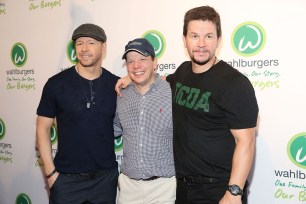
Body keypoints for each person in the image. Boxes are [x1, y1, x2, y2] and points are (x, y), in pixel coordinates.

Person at [116, 6, 258, 204]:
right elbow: (157, 80)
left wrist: (233, 192)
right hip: (182, 188)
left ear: (219, 39)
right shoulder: (182, 73)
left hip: (218, 188)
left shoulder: (235, 83)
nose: (201, 44)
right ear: (184, 40)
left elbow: (247, 142)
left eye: (208, 36)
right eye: (194, 36)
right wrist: (132, 77)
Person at [36, 23, 119, 204]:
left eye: (91, 42)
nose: (84, 49)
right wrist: (51, 174)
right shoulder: (56, 84)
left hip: (104, 181)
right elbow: (42, 128)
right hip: (66, 181)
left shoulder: (117, 85)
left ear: (103, 48)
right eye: (79, 43)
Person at [113, 38, 176, 204]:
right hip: (128, 188)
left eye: (142, 59)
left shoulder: (172, 90)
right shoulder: (121, 95)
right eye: (131, 61)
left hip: (164, 187)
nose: (136, 66)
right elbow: (113, 130)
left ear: (154, 63)